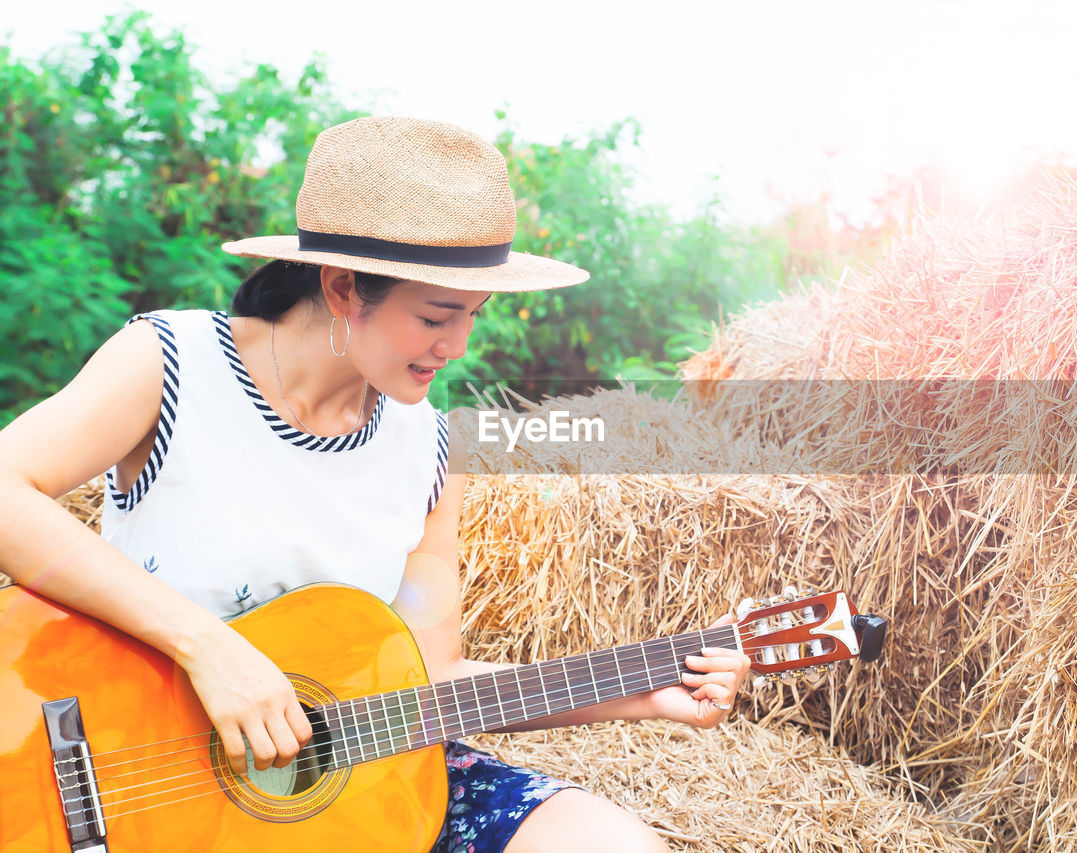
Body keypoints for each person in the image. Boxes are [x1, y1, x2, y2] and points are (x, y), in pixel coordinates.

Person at [0, 116, 750, 852]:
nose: (456, 347)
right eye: (435, 316)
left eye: (473, 318)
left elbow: (433, 675)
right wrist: (209, 649)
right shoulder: (171, 364)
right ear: (342, 287)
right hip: (122, 767)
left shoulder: (431, 449)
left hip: (342, 782)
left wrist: (644, 691)